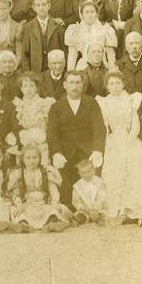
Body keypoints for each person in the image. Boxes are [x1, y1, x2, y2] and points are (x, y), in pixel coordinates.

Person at [96, 72, 142, 221]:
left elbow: (135, 124)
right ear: (107, 86)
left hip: (129, 138)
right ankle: (116, 205)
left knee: (139, 159)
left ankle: (131, 204)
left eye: (118, 83)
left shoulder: (131, 100)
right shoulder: (103, 102)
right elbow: (104, 125)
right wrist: (110, 140)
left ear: (123, 84)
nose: (115, 86)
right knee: (115, 165)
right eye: (112, 84)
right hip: (113, 139)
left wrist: (130, 139)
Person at [47, 71, 106, 209]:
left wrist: (97, 150)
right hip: (65, 151)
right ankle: (70, 207)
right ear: (65, 85)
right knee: (63, 179)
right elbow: (52, 133)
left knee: (93, 174)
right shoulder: (56, 106)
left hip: (87, 150)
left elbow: (99, 128)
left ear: (83, 85)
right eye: (71, 83)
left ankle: (92, 208)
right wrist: (56, 152)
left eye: (78, 83)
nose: (75, 86)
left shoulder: (91, 103)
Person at [8, 144, 71, 232]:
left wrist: (55, 202)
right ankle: (23, 225)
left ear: (40, 158)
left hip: (44, 202)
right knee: (16, 211)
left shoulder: (45, 172)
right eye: (28, 158)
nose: (32, 161)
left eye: (35, 157)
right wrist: (20, 205)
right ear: (23, 159)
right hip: (26, 204)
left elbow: (53, 190)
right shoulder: (19, 173)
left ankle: (52, 223)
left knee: (54, 210)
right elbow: (16, 192)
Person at [14, 72, 55, 165]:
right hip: (24, 143)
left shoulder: (46, 104)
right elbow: (15, 127)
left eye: (32, 86)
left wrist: (43, 138)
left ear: (37, 88)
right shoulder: (17, 105)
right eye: (25, 86)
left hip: (42, 142)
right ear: (21, 89)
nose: (28, 89)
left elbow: (52, 126)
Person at [17, 0, 66, 73]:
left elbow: (64, 51)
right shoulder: (28, 27)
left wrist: (62, 70)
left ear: (49, 6)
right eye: (38, 5)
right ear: (34, 8)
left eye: (44, 4)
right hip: (36, 69)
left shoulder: (58, 25)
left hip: (55, 69)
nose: (41, 8)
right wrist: (27, 73)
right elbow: (25, 54)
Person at [65, 0, 116, 70]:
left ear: (97, 14)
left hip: (102, 66)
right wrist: (70, 73)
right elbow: (72, 56)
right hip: (84, 66)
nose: (90, 15)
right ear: (82, 15)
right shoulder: (76, 30)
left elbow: (111, 55)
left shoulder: (105, 30)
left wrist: (112, 70)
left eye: (92, 12)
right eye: (87, 12)